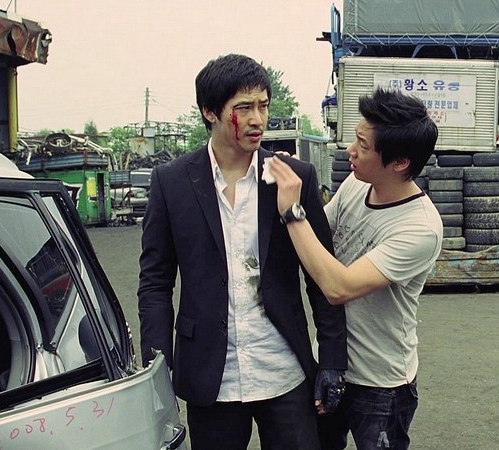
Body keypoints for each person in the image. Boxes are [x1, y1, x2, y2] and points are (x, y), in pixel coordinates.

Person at [137, 53, 347, 450]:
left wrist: (333, 360)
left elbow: (321, 278)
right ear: (210, 112)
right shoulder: (171, 182)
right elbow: (155, 284)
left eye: (263, 106)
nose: (258, 119)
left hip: (284, 370)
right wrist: (156, 367)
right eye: (244, 108)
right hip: (211, 376)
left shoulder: (293, 178)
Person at [266, 87, 442, 450]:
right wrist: (289, 181)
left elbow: (339, 287)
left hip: (381, 385)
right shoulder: (357, 185)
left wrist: (292, 211)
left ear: (399, 162)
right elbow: (316, 238)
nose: (351, 150)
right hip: (331, 363)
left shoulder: (419, 228)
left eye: (362, 145)